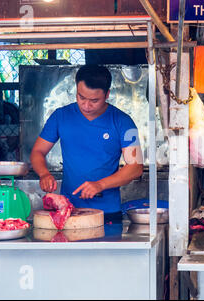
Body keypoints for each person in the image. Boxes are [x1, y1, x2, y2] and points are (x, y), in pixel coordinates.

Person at [30, 65, 143, 223]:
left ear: (107, 95)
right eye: (81, 97)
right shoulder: (60, 117)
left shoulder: (124, 122)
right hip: (68, 211)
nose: (86, 105)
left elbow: (135, 167)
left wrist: (100, 185)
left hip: (107, 213)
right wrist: (44, 174)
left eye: (94, 100)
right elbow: (38, 152)